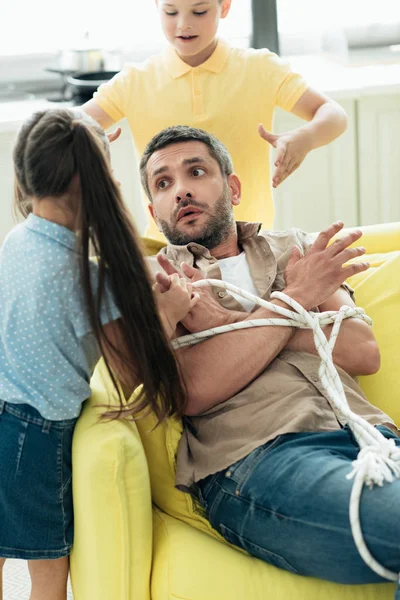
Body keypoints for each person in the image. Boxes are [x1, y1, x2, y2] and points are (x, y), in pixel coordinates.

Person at [140, 124, 400, 594]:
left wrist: (226, 322)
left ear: (233, 187)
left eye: (196, 171)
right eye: (163, 183)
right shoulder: (162, 280)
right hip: (258, 462)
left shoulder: (298, 251)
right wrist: (300, 302)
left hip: (373, 438)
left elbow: (361, 350)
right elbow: (195, 391)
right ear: (152, 210)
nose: (181, 190)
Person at [0, 108, 197, 600]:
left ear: (24, 179)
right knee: (48, 562)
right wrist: (168, 313)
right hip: (34, 433)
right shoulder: (92, 279)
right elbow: (129, 371)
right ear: (97, 183)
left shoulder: (15, 240)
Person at [83, 0, 348, 241]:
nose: (184, 24)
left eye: (199, 11)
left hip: (248, 245)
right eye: (171, 12)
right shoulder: (134, 81)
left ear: (225, 7)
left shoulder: (259, 68)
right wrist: (84, 140)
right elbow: (61, 127)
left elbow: (333, 113)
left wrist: (306, 138)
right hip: (168, 249)